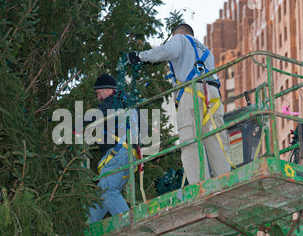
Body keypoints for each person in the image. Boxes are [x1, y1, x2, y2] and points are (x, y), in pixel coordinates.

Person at [127, 23, 231, 184]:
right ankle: (226, 181)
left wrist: (140, 56)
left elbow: (165, 51)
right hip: (213, 96)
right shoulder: (207, 51)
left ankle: (199, 185)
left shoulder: (180, 39)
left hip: (191, 93)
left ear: (179, 33)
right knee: (216, 139)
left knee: (190, 139)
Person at [85, 74, 138, 224]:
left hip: (119, 153)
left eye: (99, 93)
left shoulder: (114, 101)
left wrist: (77, 126)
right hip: (126, 154)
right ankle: (86, 231)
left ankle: (129, 224)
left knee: (107, 189)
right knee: (100, 194)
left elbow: (97, 115)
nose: (98, 98)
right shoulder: (126, 103)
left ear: (107, 90)